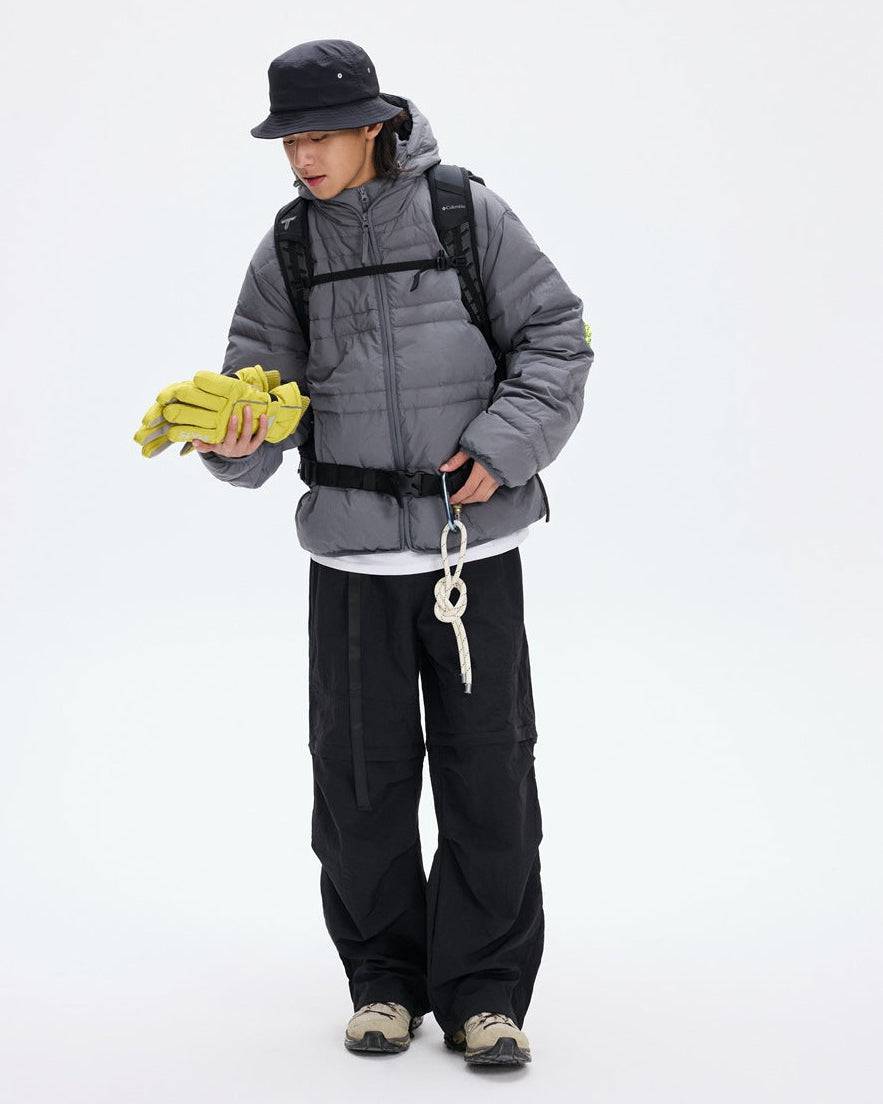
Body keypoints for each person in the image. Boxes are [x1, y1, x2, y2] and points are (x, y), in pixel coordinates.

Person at [191, 38, 594, 1067]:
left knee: (489, 777)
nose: (302, 158)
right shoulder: (288, 249)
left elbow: (556, 337)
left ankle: (485, 997)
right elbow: (261, 409)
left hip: (470, 553)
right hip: (351, 564)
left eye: (319, 136)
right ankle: (381, 983)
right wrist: (231, 442)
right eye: (287, 141)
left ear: (374, 125)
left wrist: (503, 447)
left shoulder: (463, 212)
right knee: (357, 786)